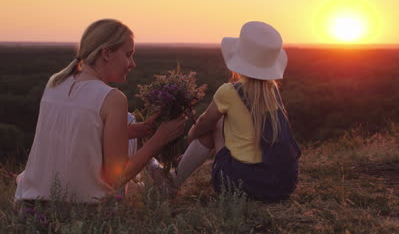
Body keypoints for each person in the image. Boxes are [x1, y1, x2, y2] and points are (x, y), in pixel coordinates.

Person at [15, 19, 186, 203]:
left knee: (127, 122)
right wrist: (159, 139)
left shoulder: (55, 83)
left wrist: (141, 129)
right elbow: (117, 178)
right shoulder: (112, 98)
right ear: (106, 53)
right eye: (128, 55)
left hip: (31, 207)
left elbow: (77, 133)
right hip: (82, 211)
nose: (133, 63)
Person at [162, 21, 301, 202]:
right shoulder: (272, 91)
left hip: (240, 186)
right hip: (283, 185)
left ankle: (173, 182)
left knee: (215, 123)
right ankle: (172, 179)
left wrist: (191, 137)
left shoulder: (229, 91)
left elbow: (204, 123)